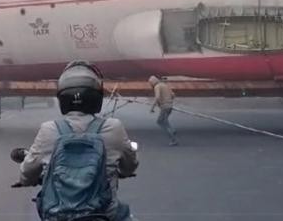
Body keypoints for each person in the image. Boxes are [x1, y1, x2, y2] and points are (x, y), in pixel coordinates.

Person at [15, 61, 139, 221]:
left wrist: (27, 180)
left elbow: (27, 172)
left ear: (62, 97)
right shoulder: (114, 128)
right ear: (96, 96)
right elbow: (130, 166)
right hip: (105, 215)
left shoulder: (48, 130)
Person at [149, 75, 178, 146]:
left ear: (153, 82)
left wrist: (152, 108)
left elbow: (157, 97)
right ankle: (172, 130)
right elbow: (173, 95)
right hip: (169, 106)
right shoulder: (165, 85)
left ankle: (173, 139)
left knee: (160, 122)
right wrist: (169, 101)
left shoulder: (157, 86)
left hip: (165, 107)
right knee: (165, 120)